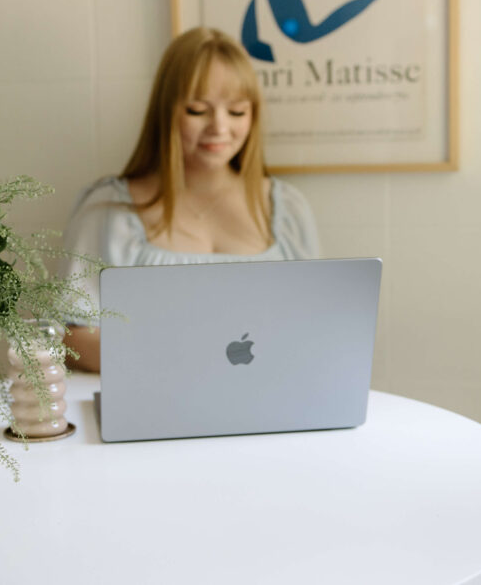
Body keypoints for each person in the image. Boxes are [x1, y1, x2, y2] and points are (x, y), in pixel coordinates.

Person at [58, 27, 321, 372]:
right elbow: (70, 336)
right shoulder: (107, 211)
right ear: (166, 111)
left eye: (238, 112)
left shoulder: (288, 209)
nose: (220, 128)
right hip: (154, 409)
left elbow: (315, 328)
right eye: (198, 110)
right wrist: (171, 360)